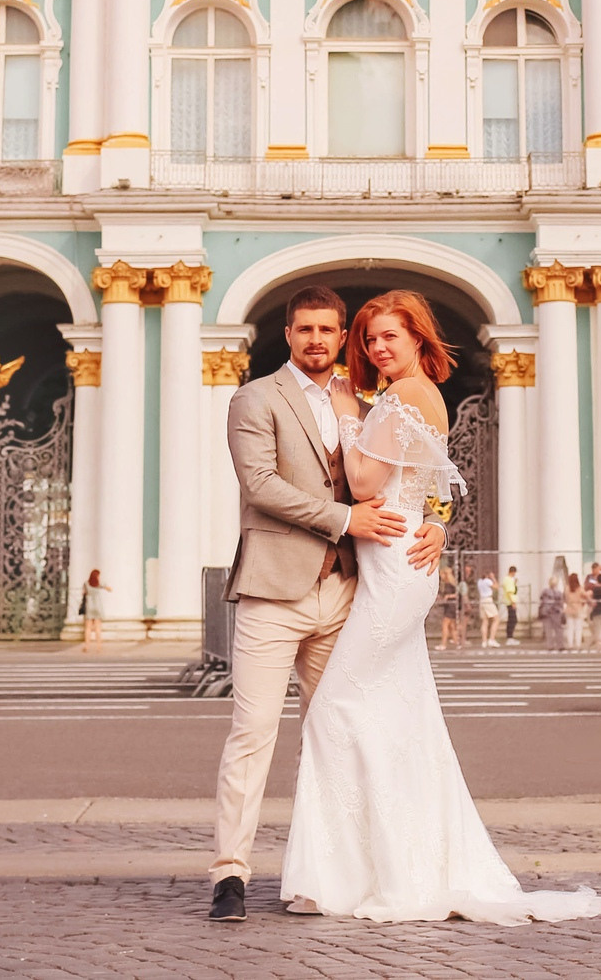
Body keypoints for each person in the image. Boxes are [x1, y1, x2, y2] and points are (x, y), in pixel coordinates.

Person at [277, 290, 601, 924]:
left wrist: (347, 411)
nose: (376, 348)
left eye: (390, 337)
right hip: (396, 567)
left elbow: (369, 485)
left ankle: (363, 874)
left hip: (397, 573)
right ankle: (388, 865)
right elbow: (433, 487)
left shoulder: (401, 397)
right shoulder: (407, 397)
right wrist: (440, 523)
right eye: (370, 338)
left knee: (334, 710)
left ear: (419, 341)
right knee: (402, 719)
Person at [208, 287, 445, 923]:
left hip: (345, 592)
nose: (317, 339)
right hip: (272, 592)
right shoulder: (254, 398)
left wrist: (439, 522)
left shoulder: (369, 402)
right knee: (252, 734)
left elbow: (418, 468)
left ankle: (339, 872)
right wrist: (346, 518)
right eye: (305, 328)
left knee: (340, 731)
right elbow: (260, 488)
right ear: (287, 334)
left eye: (329, 330)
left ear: (342, 338)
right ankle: (230, 873)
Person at [78, 567, 110, 648]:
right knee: (98, 627)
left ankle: (87, 645)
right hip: (97, 606)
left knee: (88, 627)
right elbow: (109, 588)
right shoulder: (98, 583)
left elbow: (83, 593)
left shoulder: (86, 583)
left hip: (89, 606)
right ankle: (99, 646)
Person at [540, 570, 569, 651]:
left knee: (548, 629)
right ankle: (560, 645)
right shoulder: (559, 592)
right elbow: (561, 602)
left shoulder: (545, 591)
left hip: (546, 612)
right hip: (556, 612)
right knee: (559, 629)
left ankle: (550, 645)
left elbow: (542, 600)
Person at [476, 571, 499, 647]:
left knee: (485, 621)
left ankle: (484, 641)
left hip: (482, 600)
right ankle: (491, 639)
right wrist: (493, 578)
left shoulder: (479, 581)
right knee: (496, 619)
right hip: (488, 600)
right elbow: (497, 587)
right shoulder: (487, 581)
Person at [501, 565, 522, 646]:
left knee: (512, 619)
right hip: (510, 602)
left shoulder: (508, 580)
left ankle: (510, 637)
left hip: (508, 601)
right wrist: (513, 602)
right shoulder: (508, 580)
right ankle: (510, 637)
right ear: (513, 572)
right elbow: (510, 592)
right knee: (513, 620)